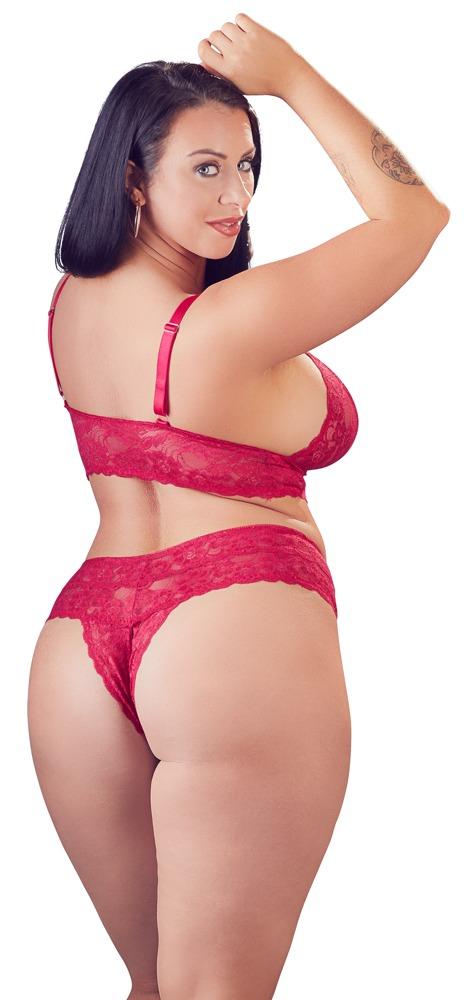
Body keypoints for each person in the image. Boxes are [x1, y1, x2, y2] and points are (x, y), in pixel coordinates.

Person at [27, 13, 450, 1000]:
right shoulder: (229, 322)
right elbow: (413, 215)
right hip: (229, 631)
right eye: (205, 168)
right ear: (133, 179)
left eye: (247, 165)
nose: (236, 194)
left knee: (155, 988)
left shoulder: (71, 305)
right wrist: (290, 77)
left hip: (80, 646)